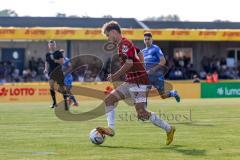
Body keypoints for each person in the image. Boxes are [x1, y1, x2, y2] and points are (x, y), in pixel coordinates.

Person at [97, 21, 175, 145]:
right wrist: (142, 66)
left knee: (142, 114)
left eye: (107, 35)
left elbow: (129, 63)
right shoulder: (124, 43)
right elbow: (138, 52)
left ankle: (169, 129)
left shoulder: (124, 44)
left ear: (113, 32)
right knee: (109, 100)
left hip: (139, 82)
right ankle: (111, 129)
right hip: (131, 81)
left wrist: (115, 76)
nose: (108, 39)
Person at [142, 32, 180, 102]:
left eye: (148, 39)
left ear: (152, 40)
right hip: (148, 76)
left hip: (157, 75)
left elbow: (163, 61)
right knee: (144, 95)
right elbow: (143, 65)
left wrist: (153, 70)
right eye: (145, 39)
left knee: (163, 95)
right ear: (144, 40)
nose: (147, 41)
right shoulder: (143, 51)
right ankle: (143, 112)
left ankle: (173, 93)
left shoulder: (156, 48)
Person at [44, 40, 68, 110]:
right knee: (51, 87)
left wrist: (54, 60)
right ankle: (54, 103)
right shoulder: (47, 54)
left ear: (55, 45)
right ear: (49, 46)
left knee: (62, 88)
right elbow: (46, 61)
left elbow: (62, 62)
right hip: (51, 72)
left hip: (58, 72)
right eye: (50, 45)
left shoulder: (58, 53)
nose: (52, 46)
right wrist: (45, 69)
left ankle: (66, 103)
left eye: (53, 45)